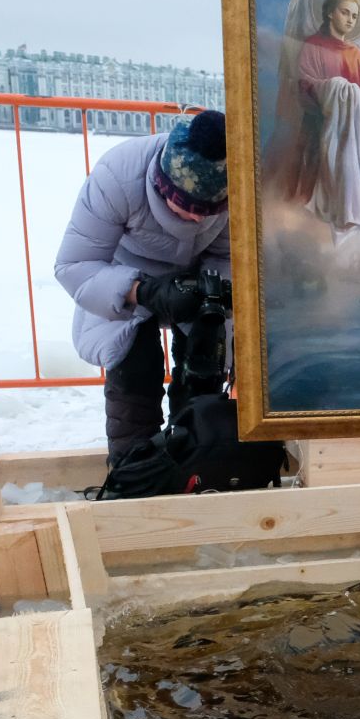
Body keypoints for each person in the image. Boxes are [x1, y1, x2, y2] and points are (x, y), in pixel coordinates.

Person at [54, 111, 232, 464]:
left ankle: (195, 458)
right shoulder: (117, 175)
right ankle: (133, 467)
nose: (198, 218)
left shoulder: (238, 185)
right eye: (187, 207)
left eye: (210, 209)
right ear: (162, 183)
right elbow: (74, 265)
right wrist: (144, 293)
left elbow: (229, 255)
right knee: (133, 359)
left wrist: (212, 293)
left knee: (208, 353)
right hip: (121, 280)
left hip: (195, 279)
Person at [263, 0, 360, 235]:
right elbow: (304, 86)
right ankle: (304, 237)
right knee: (311, 190)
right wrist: (334, 90)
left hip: (348, 132)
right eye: (345, 13)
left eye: (354, 16)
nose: (350, 20)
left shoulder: (356, 54)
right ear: (330, 13)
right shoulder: (312, 46)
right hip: (316, 129)